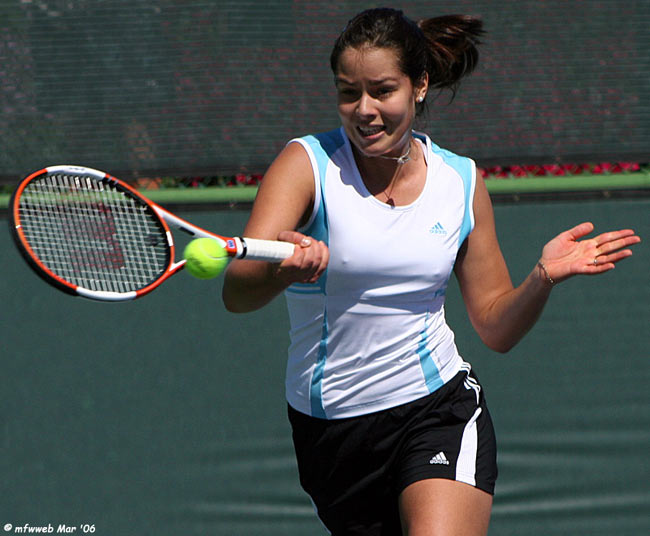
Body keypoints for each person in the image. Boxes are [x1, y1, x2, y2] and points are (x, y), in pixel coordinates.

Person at [222, 8, 640, 535]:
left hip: (437, 408)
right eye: (349, 92)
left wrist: (542, 277)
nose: (364, 110)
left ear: (419, 86)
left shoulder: (460, 181)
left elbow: (494, 325)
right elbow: (237, 294)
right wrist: (284, 270)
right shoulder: (306, 164)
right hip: (331, 435)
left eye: (382, 90)